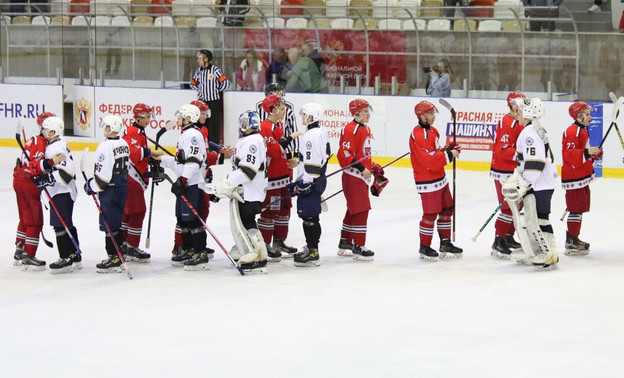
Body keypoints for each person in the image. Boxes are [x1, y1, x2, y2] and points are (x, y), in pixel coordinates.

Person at [170, 100, 235, 261]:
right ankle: (181, 246)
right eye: (203, 113)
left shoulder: (199, 131)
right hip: (194, 180)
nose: (205, 116)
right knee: (187, 215)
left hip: (198, 178)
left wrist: (219, 156)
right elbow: (199, 158)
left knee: (199, 212)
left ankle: (195, 245)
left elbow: (201, 158)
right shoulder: (193, 133)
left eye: (207, 113)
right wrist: (220, 156)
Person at [502, 97, 559, 269]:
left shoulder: (528, 133)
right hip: (543, 182)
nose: (517, 113)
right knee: (539, 218)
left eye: (519, 110)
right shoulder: (534, 129)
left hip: (539, 183)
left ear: (527, 112)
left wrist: (525, 183)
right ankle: (547, 253)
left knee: (537, 219)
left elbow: (536, 162)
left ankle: (548, 255)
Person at [211, 110, 268, 273]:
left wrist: (227, 183)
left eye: (243, 123)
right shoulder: (247, 140)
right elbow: (241, 164)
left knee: (246, 221)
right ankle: (252, 251)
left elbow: (247, 172)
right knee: (244, 221)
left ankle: (256, 257)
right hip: (247, 190)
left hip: (250, 191)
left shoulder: (253, 141)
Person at [155, 104, 209, 271]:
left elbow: (194, 161)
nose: (178, 118)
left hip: (192, 183)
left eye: (181, 116)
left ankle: (200, 252)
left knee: (192, 219)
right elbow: (180, 161)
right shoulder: (185, 134)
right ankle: (189, 249)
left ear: (189, 118)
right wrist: (161, 159)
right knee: (182, 218)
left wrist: (183, 180)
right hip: (186, 182)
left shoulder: (192, 135)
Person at [409, 101, 463, 261]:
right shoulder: (418, 134)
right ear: (422, 116)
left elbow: (435, 152)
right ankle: (424, 247)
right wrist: (450, 155)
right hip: (427, 181)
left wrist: (447, 149)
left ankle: (445, 243)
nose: (433, 117)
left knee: (447, 209)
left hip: (441, 178)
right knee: (430, 214)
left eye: (434, 113)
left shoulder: (433, 131)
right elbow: (429, 160)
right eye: (430, 114)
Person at [13, 112, 63, 270]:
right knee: (35, 220)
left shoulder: (32, 139)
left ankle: (19, 249)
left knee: (24, 217)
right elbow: (34, 166)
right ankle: (29, 255)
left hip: (18, 181)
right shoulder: (40, 142)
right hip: (28, 185)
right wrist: (50, 163)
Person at [258, 94, 302, 261]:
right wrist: (292, 137)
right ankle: (265, 243)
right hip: (273, 179)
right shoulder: (265, 127)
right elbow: (273, 151)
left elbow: (281, 150)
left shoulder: (277, 126)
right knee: (270, 210)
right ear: (273, 109)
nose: (285, 111)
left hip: (284, 176)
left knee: (285, 209)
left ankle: (279, 241)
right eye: (282, 108)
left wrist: (291, 159)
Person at [83, 115, 130, 273]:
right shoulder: (123, 143)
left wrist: (91, 186)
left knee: (109, 224)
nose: (105, 128)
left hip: (110, 189)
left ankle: (114, 257)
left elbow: (103, 177)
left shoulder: (104, 147)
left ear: (111, 128)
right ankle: (119, 254)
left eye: (106, 126)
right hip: (122, 186)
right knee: (116, 222)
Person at [336, 99, 379, 261]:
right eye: (365, 111)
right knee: (361, 209)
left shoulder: (364, 128)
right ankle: (359, 246)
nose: (368, 114)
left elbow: (363, 154)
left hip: (360, 177)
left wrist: (373, 166)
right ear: (357, 113)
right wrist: (362, 168)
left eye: (369, 110)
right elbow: (345, 153)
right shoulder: (350, 129)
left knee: (353, 209)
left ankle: (345, 241)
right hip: (353, 176)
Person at [120, 103, 164, 262]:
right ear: (139, 117)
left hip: (133, 177)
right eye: (147, 117)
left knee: (128, 212)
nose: (149, 120)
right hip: (132, 178)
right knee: (137, 212)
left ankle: (124, 244)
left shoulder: (138, 132)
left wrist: (150, 158)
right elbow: (132, 153)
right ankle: (132, 247)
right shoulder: (132, 132)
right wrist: (149, 152)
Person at [290, 103, 330, 267]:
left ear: (312, 116)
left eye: (305, 114)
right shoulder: (320, 132)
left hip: (311, 181)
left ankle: (313, 251)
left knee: (309, 217)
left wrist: (304, 183)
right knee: (312, 215)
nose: (303, 117)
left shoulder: (310, 136)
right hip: (318, 178)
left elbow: (311, 163)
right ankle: (312, 246)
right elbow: (323, 156)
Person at [40, 116, 82, 273]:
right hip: (62, 191)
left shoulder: (55, 148)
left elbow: (66, 173)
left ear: (52, 132)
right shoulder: (58, 144)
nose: (42, 131)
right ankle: (75, 254)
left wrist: (47, 178)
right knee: (67, 223)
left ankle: (66, 257)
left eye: (44, 129)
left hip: (62, 192)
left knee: (60, 225)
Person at [490, 92, 528, 259]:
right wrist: (521, 154)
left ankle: (507, 237)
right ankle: (498, 241)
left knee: (517, 207)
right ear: (513, 106)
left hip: (513, 170)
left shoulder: (517, 121)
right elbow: (503, 151)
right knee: (507, 208)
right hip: (504, 171)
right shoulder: (507, 123)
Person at [561, 101, 602, 255]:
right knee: (576, 208)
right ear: (579, 115)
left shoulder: (582, 130)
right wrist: (586, 153)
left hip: (581, 175)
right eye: (587, 113)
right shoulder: (573, 131)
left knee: (580, 208)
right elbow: (569, 155)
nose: (590, 117)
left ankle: (574, 238)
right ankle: (571, 240)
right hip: (574, 176)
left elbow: (583, 152)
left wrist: (593, 154)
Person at [190, 49, 231, 146]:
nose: (198, 60)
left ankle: (213, 150)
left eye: (199, 58)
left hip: (213, 103)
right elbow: (193, 83)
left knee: (214, 128)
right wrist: (200, 90)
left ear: (206, 59)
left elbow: (226, 83)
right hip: (202, 104)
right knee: (201, 126)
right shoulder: (198, 71)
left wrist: (217, 89)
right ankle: (202, 146)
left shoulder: (215, 70)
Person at [257, 82, 299, 155]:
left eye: (281, 94)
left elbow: (293, 131)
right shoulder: (258, 113)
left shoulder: (289, 113)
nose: (281, 96)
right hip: (265, 151)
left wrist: (295, 153)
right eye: (278, 94)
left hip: (284, 151)